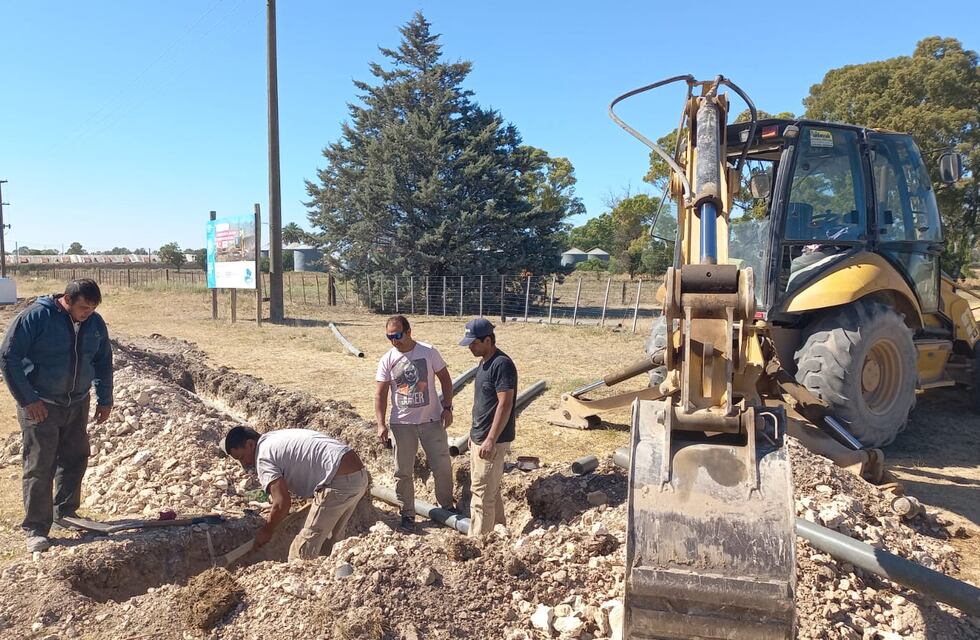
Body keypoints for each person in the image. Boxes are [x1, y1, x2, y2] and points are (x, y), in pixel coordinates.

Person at [0, 279, 113, 552]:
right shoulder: (36, 317)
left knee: (75, 457)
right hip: (41, 405)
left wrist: (105, 399)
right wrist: (29, 400)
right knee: (40, 465)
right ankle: (36, 529)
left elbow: (103, 360)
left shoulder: (95, 323)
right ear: (67, 299)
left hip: (77, 403)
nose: (87, 313)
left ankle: (65, 513)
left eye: (92, 308)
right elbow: (8, 357)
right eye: (83, 307)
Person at [222, 426, 369, 560]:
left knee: (301, 552)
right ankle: (333, 575)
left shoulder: (263, 456)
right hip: (359, 476)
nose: (244, 464)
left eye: (242, 457)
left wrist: (267, 531)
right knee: (333, 539)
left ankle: (300, 583)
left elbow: (282, 504)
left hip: (339, 482)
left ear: (250, 444)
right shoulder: (273, 438)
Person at [375, 315, 455, 530]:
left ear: (409, 332)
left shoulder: (428, 351)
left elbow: (445, 379)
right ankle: (407, 513)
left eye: (398, 335)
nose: (394, 341)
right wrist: (381, 423)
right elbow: (380, 394)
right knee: (403, 471)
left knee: (442, 466)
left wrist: (447, 407)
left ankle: (447, 506)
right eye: (390, 337)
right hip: (402, 424)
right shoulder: (387, 359)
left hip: (431, 420)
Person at [459, 318, 517, 538]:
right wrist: (475, 436)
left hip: (492, 441)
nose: (470, 347)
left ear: (488, 340)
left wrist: (491, 439)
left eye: (474, 343)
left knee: (481, 495)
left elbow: (505, 403)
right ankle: (499, 532)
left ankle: (478, 542)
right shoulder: (484, 361)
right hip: (479, 438)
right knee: (490, 490)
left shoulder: (501, 364)